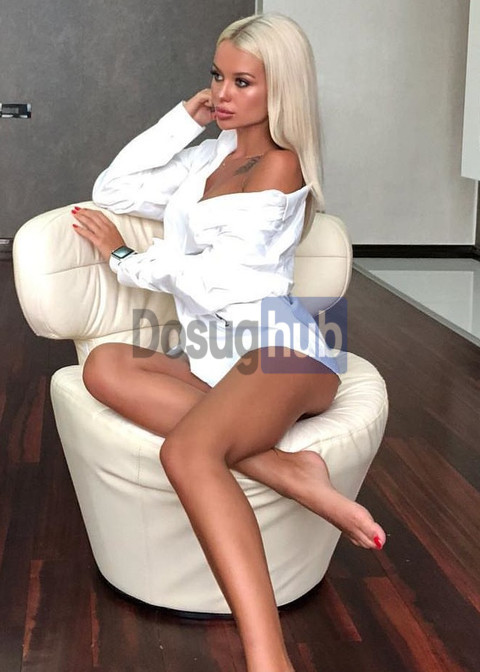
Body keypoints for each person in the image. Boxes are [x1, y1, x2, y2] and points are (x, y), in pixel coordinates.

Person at [72, 12, 386, 672]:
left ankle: (269, 660)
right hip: (217, 358)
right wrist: (183, 120)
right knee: (103, 366)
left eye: (242, 82)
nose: (221, 93)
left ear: (281, 90)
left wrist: (128, 259)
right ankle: (287, 470)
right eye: (216, 76)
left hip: (286, 351)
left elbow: (220, 282)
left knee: (188, 452)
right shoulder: (213, 154)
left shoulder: (279, 167)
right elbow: (114, 189)